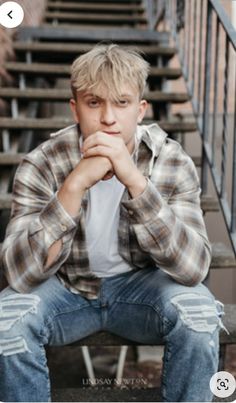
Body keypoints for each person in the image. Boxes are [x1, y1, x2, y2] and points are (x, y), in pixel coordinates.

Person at [0, 44, 225, 402]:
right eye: (94, 103)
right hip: (67, 291)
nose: (108, 118)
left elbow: (193, 268)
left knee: (198, 315)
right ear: (75, 109)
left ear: (140, 110)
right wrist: (72, 187)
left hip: (143, 290)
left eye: (121, 103)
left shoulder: (170, 160)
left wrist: (136, 182)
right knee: (5, 321)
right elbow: (21, 276)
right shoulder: (41, 162)